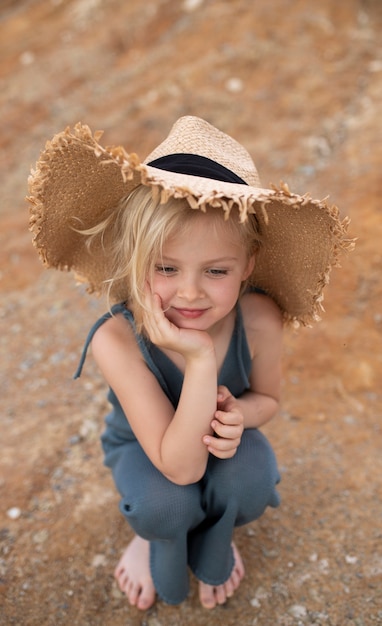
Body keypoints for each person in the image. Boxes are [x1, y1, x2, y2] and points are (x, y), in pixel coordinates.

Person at [28, 116, 354, 610]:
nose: (189, 292)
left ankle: (220, 530)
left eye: (216, 271)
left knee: (251, 476)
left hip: (219, 446)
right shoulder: (117, 338)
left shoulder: (260, 317)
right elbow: (179, 467)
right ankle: (153, 537)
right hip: (152, 451)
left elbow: (267, 398)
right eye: (165, 267)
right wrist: (200, 360)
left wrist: (242, 416)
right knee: (166, 504)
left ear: (247, 265)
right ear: (137, 261)